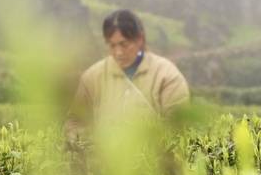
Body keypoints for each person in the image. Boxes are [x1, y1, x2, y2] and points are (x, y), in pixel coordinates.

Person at [66, 9, 190, 140]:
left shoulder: (167, 75)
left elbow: (178, 126)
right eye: (112, 45)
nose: (118, 52)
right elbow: (75, 122)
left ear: (140, 39)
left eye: (124, 44)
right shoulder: (92, 77)